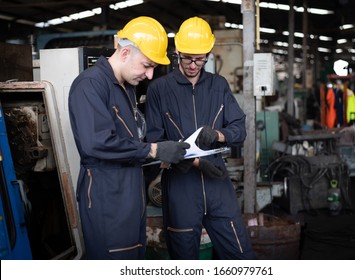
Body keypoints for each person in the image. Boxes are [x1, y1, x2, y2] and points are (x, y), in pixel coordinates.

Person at [68, 16, 190, 260]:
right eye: (146, 65)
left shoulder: (126, 88)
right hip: (108, 198)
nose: (150, 75)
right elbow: (97, 143)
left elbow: (129, 141)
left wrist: (164, 157)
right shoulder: (90, 85)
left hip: (130, 194)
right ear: (124, 53)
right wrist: (154, 151)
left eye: (153, 67)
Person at [145, 17, 256, 260]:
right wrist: (180, 159)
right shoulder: (159, 90)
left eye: (200, 58)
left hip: (217, 182)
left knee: (240, 254)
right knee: (184, 260)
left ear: (208, 54)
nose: (193, 64)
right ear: (177, 51)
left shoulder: (219, 85)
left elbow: (239, 128)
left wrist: (218, 134)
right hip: (180, 185)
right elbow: (153, 140)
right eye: (187, 58)